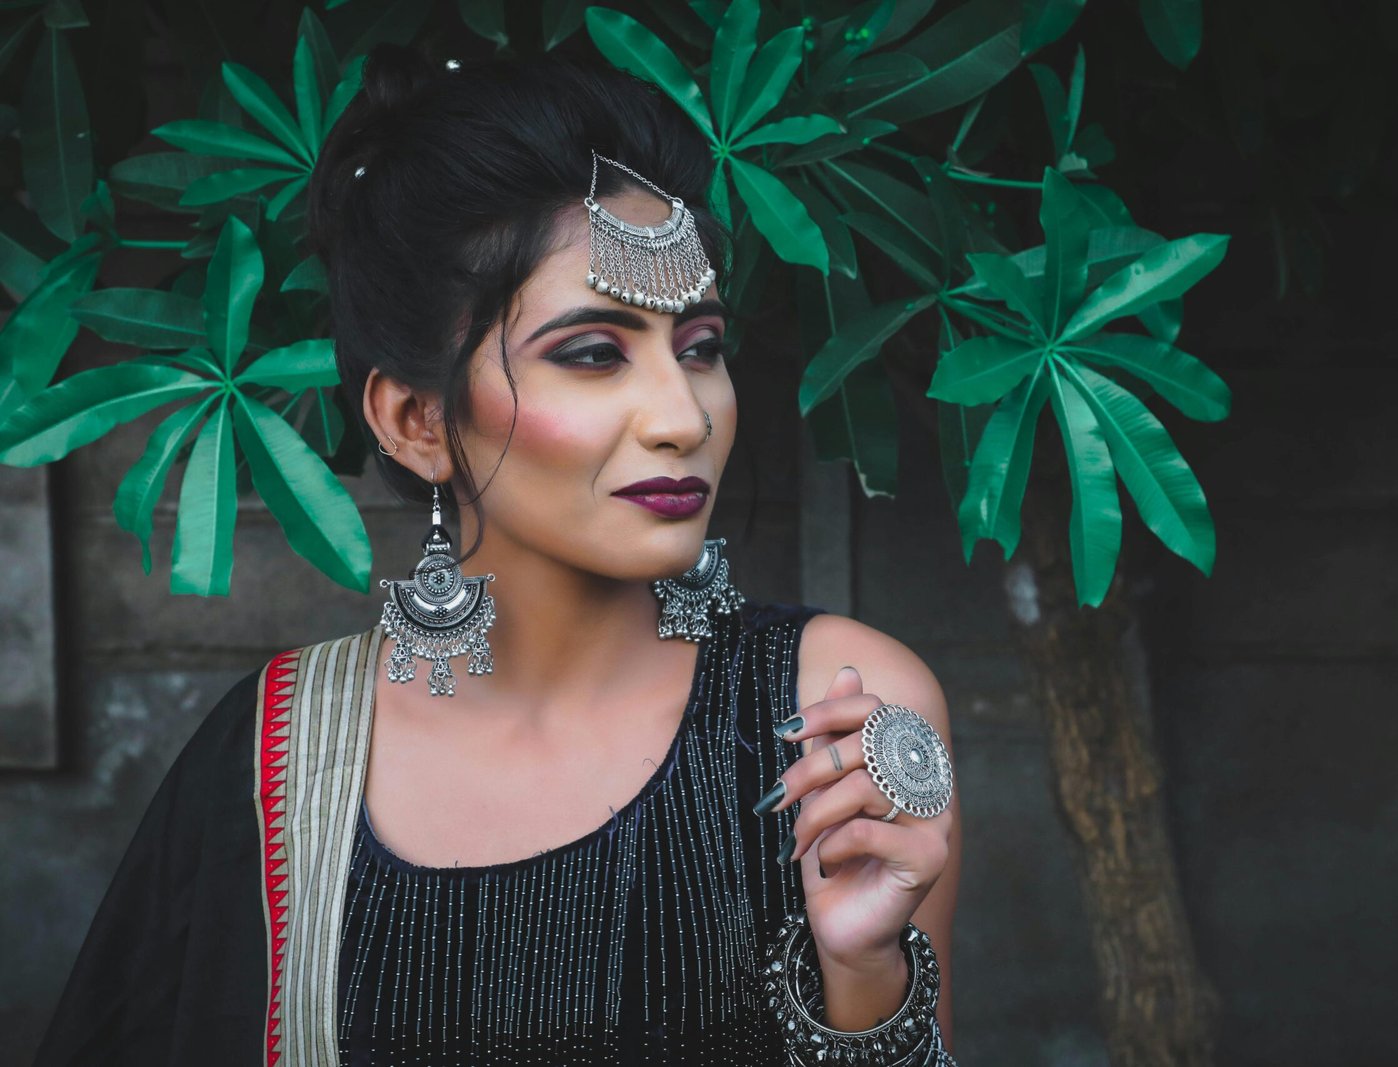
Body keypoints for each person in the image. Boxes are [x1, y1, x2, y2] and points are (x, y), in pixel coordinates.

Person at [34, 44, 961, 1066]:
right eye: (594, 352)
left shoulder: (836, 712)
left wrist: (868, 975)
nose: (682, 413)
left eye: (698, 346)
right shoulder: (278, 756)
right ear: (417, 417)